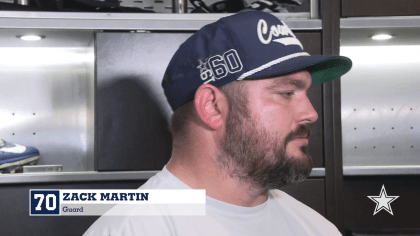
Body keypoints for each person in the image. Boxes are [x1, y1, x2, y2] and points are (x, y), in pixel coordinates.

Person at [84, 10, 352, 236]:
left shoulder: (317, 229)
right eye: (286, 93)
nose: (311, 113)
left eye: (306, 93)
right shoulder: (132, 229)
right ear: (211, 107)